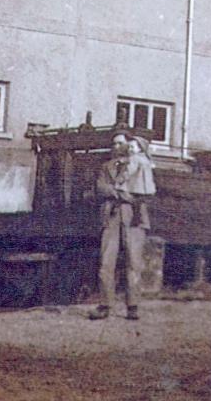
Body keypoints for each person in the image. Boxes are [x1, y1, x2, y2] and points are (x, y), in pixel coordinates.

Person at [89, 132, 155, 321]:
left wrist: (126, 195)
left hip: (134, 217)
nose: (116, 147)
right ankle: (105, 305)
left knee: (133, 262)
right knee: (106, 262)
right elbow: (101, 187)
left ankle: (132, 306)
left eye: (120, 143)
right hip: (111, 217)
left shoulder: (140, 164)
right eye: (114, 144)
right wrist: (119, 193)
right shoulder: (106, 167)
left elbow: (145, 191)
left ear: (129, 145)